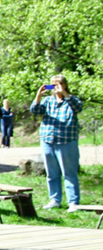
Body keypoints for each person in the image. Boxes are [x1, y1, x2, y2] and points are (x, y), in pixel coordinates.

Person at [31, 75, 83, 212]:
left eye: (57, 84)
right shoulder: (48, 101)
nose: (54, 87)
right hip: (48, 140)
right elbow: (35, 111)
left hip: (66, 141)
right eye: (52, 85)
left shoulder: (71, 100)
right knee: (51, 173)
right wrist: (38, 96)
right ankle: (55, 199)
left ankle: (73, 202)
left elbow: (78, 108)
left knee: (69, 173)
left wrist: (64, 93)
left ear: (64, 85)